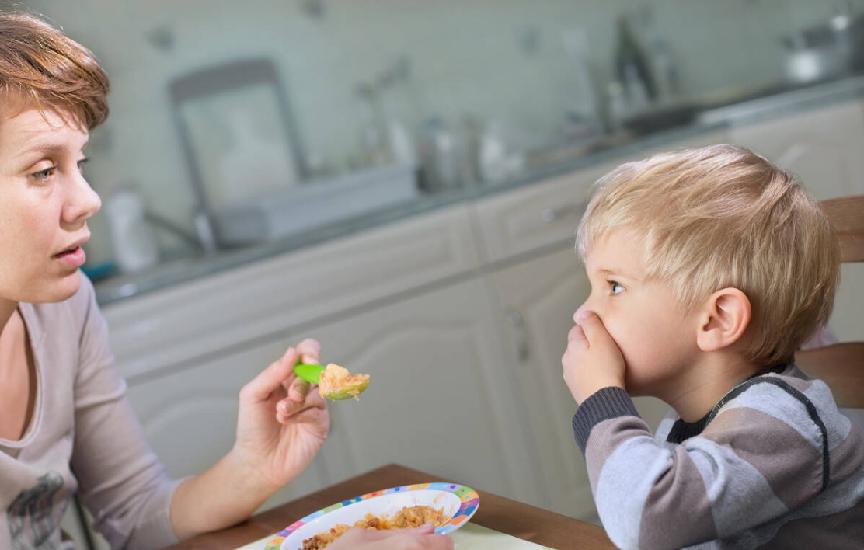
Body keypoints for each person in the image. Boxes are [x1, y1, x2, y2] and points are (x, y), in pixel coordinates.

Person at [0, 12, 451, 550]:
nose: (89, 199)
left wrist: (252, 468)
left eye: (80, 163)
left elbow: (134, 513)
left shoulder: (63, 309)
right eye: (44, 171)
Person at [561, 144, 864, 549]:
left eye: (614, 286)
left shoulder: (783, 424)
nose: (585, 312)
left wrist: (601, 400)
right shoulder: (695, 417)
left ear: (718, 319)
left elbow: (644, 521)